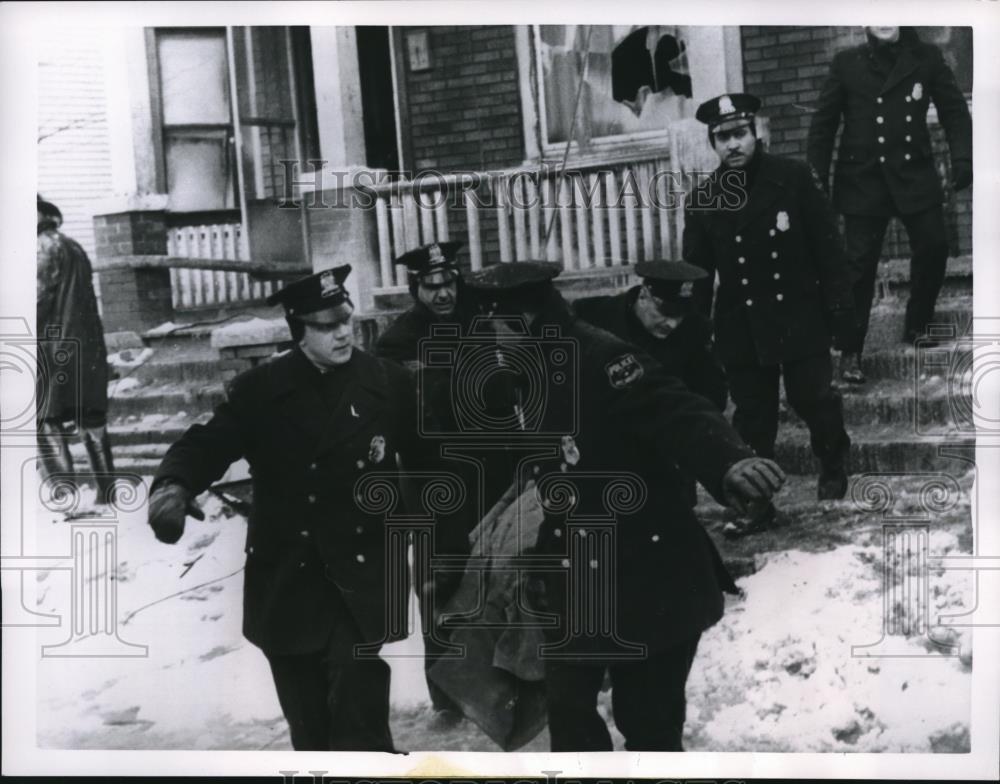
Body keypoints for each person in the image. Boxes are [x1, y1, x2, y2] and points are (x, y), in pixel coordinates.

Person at [442, 260, 785, 751]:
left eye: (495, 328)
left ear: (524, 321)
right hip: (577, 572)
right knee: (570, 717)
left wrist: (729, 461)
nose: (491, 341)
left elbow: (675, 408)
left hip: (649, 570)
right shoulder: (529, 368)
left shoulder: (599, 356)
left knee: (648, 726)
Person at [147, 266, 417, 752]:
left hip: (360, 573)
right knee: (310, 730)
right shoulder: (261, 391)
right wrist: (173, 485)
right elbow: (209, 443)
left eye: (346, 322)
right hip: (288, 577)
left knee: (359, 708)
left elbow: (428, 462)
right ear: (299, 332)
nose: (342, 333)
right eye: (327, 326)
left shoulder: (387, 383)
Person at [684, 93, 856, 507]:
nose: (733, 145)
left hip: (799, 314)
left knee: (814, 400)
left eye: (740, 133)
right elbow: (699, 277)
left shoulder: (793, 177)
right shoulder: (705, 199)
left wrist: (842, 316)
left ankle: (833, 466)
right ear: (713, 144)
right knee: (753, 418)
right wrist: (695, 333)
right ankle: (757, 503)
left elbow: (829, 253)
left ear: (755, 133)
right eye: (722, 137)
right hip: (742, 324)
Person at [806, 26, 972, 383]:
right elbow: (823, 124)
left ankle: (918, 325)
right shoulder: (847, 63)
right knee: (858, 266)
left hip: (914, 172)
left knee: (934, 246)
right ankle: (850, 351)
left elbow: (955, 111)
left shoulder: (926, 58)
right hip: (862, 179)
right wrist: (816, 175)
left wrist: (963, 159)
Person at [574, 259, 727, 508]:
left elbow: (712, 396)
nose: (672, 324)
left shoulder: (694, 331)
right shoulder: (593, 315)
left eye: (680, 316)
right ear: (644, 295)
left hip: (665, 449)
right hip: (602, 444)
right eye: (665, 314)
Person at [36, 194, 116, 504]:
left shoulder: (41, 248)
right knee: (91, 418)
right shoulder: (73, 245)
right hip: (86, 348)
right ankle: (106, 492)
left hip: (53, 348)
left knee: (42, 418)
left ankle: (62, 492)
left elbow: (35, 301)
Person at [375, 241, 473, 367]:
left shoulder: (474, 322)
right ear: (416, 290)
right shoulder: (397, 341)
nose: (443, 295)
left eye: (449, 284)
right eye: (432, 287)